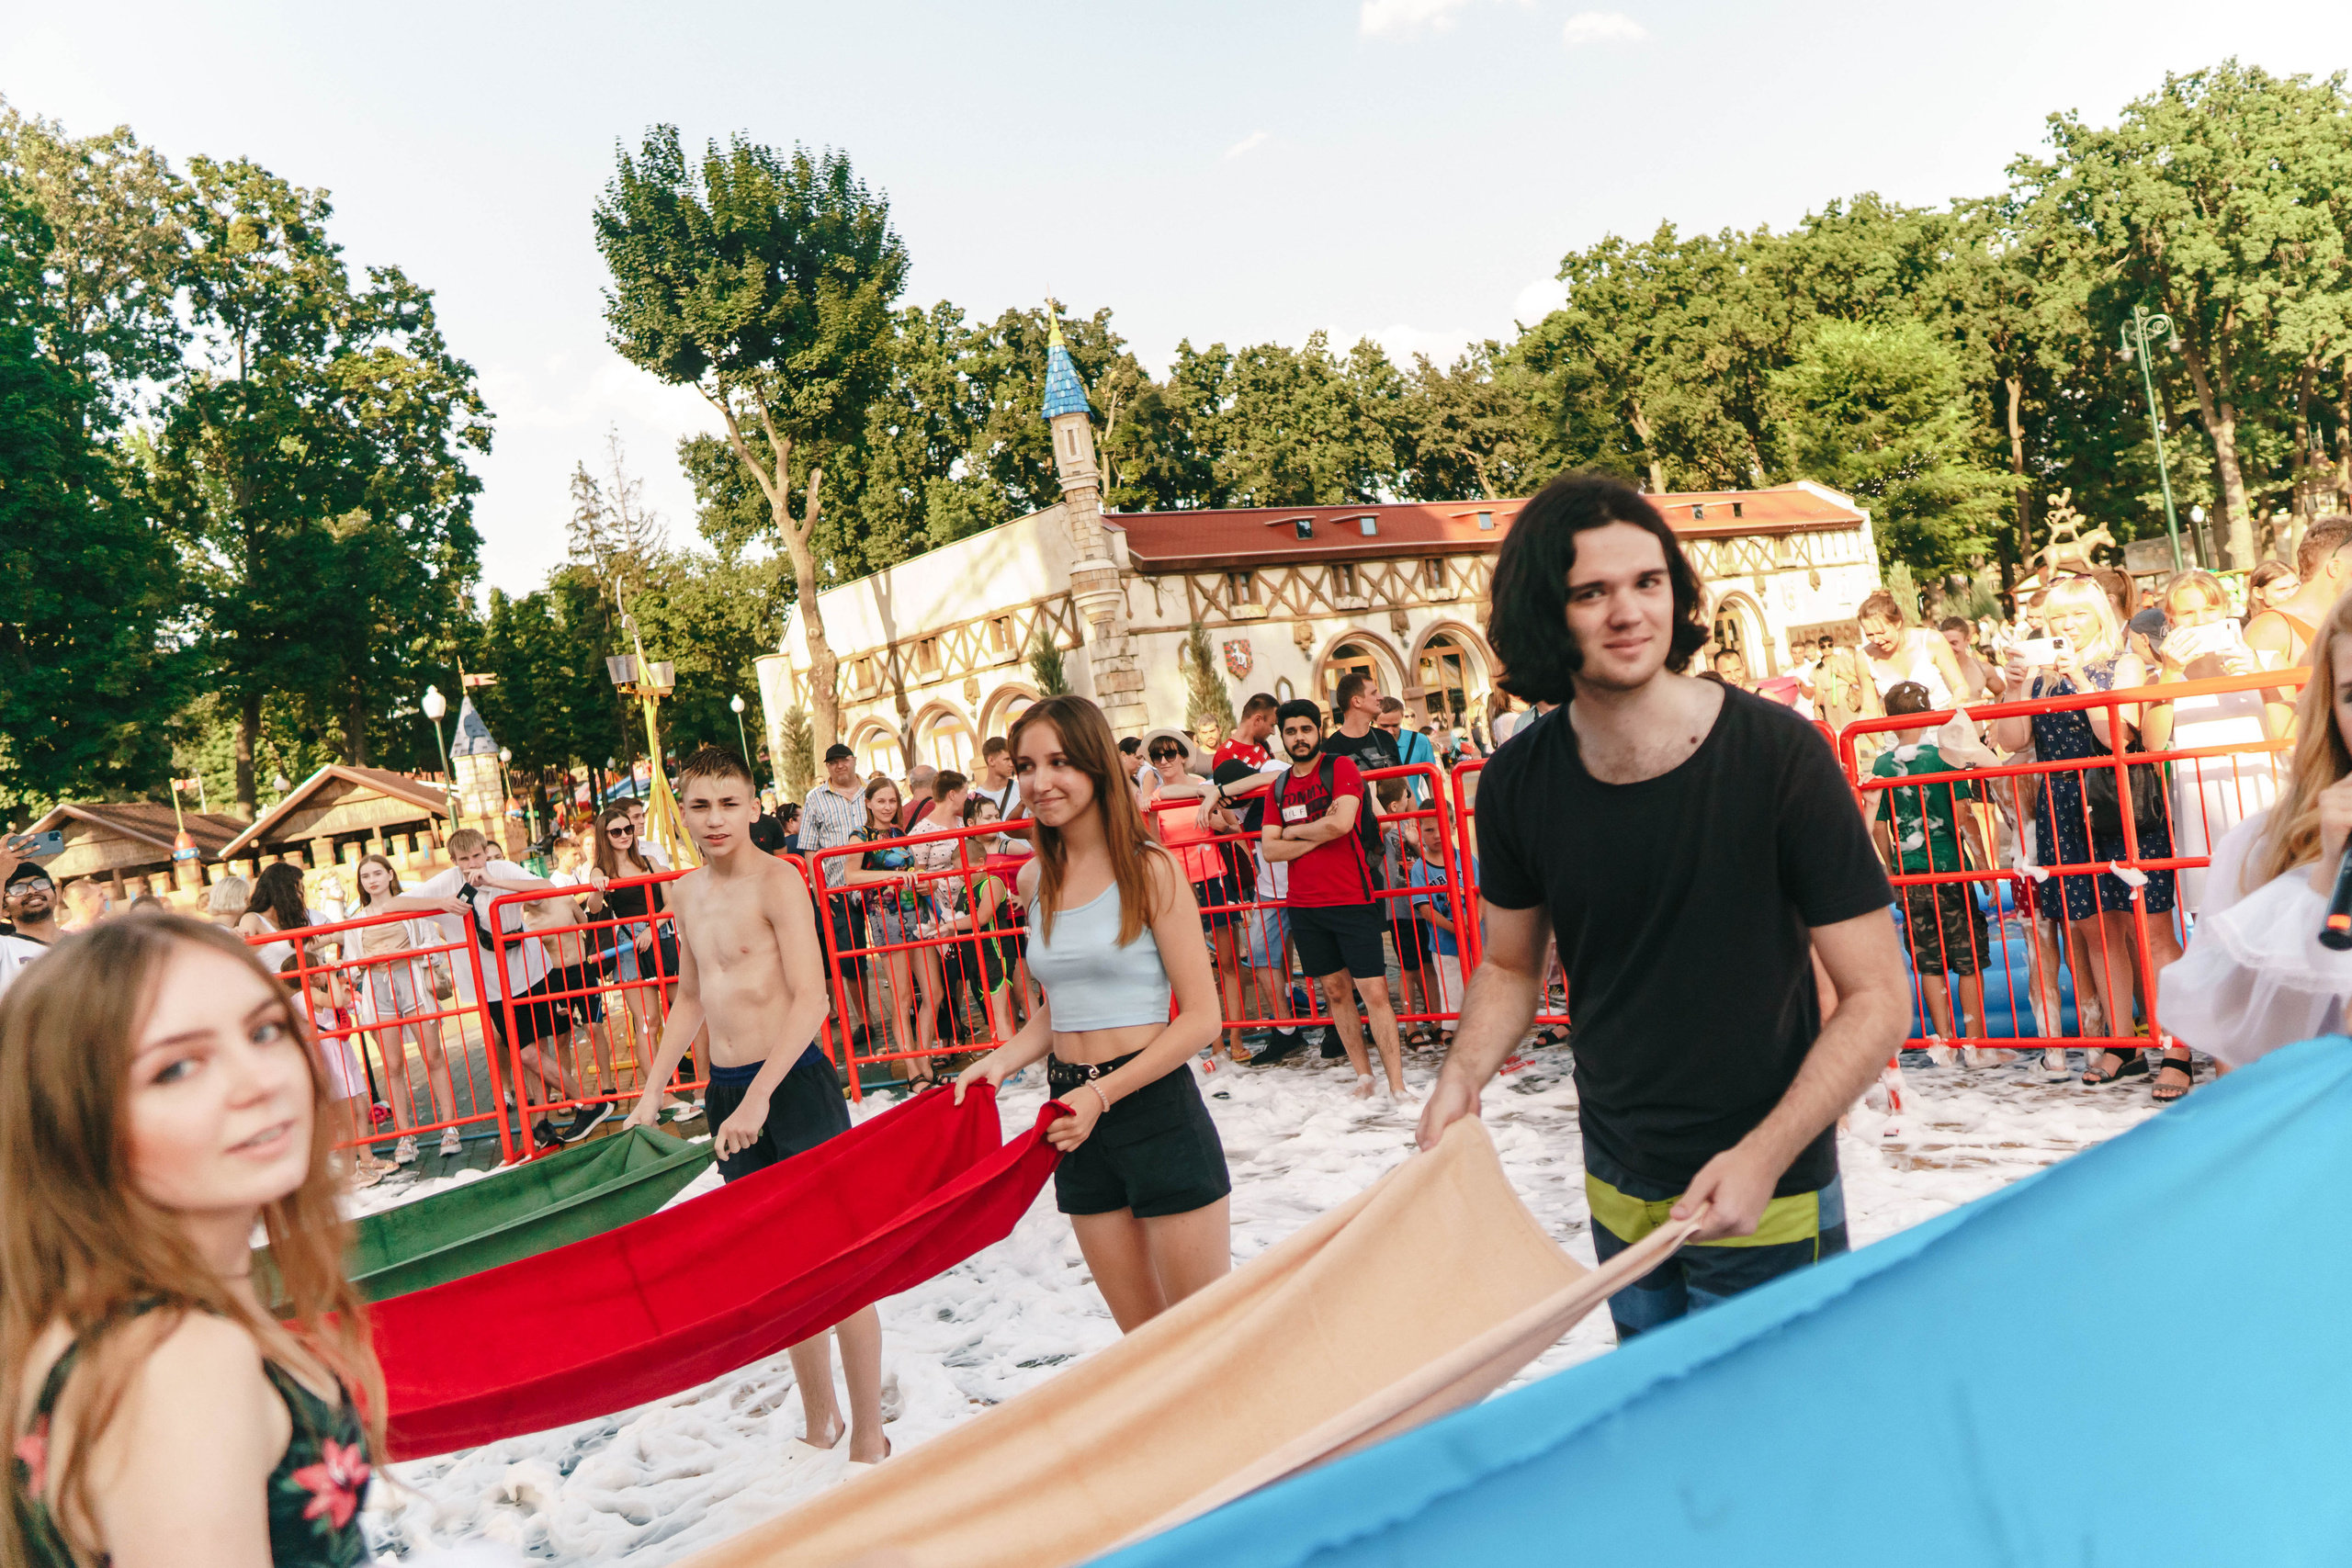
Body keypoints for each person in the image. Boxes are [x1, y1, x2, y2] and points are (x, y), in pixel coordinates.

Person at [1419, 473, 1907, 1340]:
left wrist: (1765, 1155)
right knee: (1661, 1442)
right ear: (1546, 610)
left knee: (1774, 1447)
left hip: (1772, 1182)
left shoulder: (1779, 756)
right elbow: (1508, 963)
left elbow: (1877, 997)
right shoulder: (1516, 782)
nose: (1627, 612)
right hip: (1617, 1175)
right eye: (1591, 592)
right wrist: (1461, 1074)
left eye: (1647, 582)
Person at [1, 915, 385, 1568]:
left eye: (265, 1030)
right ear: (73, 1121)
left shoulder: (76, 1313)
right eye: (177, 1067)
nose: (258, 1080)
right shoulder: (180, 1358)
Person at [620, 748, 887, 1468]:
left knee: (839, 1264)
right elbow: (689, 997)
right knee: (782, 1271)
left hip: (792, 1083)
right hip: (728, 1093)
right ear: (681, 808)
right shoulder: (683, 893)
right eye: (700, 805)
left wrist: (765, 1095)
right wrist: (651, 1089)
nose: (714, 820)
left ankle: (868, 1430)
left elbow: (814, 998)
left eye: (729, 804)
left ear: (752, 806)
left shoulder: (780, 881)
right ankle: (819, 1420)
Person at [952, 694, 1230, 1333]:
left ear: (1097, 766)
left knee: (1205, 1339)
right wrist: (997, 1062)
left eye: (1059, 762)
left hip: (1151, 1107)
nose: (1039, 781)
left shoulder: (1150, 870)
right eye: (1026, 764)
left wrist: (1103, 1095)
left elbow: (1201, 1019)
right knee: (1143, 1345)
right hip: (1071, 1119)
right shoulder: (1034, 881)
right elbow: (1060, 1013)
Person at [1993, 574, 2189, 1100]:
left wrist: (2079, 678)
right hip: (2065, 810)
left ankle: (2178, 1046)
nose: (2067, 625)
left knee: (2151, 931)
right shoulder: (2038, 677)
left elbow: (2116, 733)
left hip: (2120, 807)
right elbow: (2011, 741)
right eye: (2057, 617)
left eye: (2077, 614)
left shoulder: (2122, 663)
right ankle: (2124, 1045)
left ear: (2099, 615)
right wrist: (2014, 685)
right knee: (2095, 930)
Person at [2161, 584, 2352, 1064]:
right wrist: (2326, 879)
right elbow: (2241, 1061)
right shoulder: (2257, 849)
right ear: (2329, 710)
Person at [381, 829, 604, 1148]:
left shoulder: (500, 869)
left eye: (477, 855)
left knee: (537, 1051)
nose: (472, 864)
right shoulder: (447, 881)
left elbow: (545, 887)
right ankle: (588, 1103)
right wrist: (442, 903)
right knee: (526, 1053)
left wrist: (494, 881)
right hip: (490, 985)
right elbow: (392, 905)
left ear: (485, 852)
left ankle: (543, 1123)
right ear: (454, 861)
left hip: (529, 970)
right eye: (464, 859)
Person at [1262, 697, 1410, 1100]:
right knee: (1335, 992)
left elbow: (1343, 823)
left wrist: (1293, 832)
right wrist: (1316, 829)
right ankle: (1364, 1078)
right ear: (1282, 737)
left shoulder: (1339, 767)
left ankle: (1397, 1085)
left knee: (1374, 992)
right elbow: (1269, 850)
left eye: (1305, 729)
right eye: (1290, 731)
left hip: (1351, 897)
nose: (1299, 737)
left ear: (1318, 730)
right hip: (1305, 905)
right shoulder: (1279, 786)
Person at [1871, 682, 2001, 1064]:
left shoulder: (1882, 765)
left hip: (1912, 875)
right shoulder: (1944, 757)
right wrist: (1984, 868)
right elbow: (1964, 817)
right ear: (1930, 713)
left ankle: (1943, 1043)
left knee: (1929, 963)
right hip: (1949, 870)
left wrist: (1893, 865)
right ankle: (1975, 1043)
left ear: (1890, 721)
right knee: (1969, 960)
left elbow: (1879, 827)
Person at [2142, 568, 2281, 915]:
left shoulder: (2266, 661)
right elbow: (2153, 743)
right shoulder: (2160, 679)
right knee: (2213, 918)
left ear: (2226, 610)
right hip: (2201, 808)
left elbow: (2288, 734)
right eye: (2188, 613)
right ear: (2171, 620)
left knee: (2278, 910)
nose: (2200, 620)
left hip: (2267, 802)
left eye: (2209, 609)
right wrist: (2171, 673)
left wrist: (2262, 679)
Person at [347, 853, 463, 1161]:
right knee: (393, 1065)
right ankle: (404, 1135)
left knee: (432, 1055)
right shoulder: (356, 921)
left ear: (389, 874)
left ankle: (450, 1126)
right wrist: (371, 960)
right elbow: (351, 967)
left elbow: (434, 947)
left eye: (376, 873)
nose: (371, 880)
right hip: (378, 988)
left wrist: (407, 951)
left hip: (410, 981)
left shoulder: (410, 909)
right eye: (365, 876)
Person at [1144, 739, 1250, 1062]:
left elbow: (1234, 826)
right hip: (1179, 885)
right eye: (1157, 755)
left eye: (1170, 753)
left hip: (1214, 877)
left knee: (1229, 961)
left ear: (1184, 756)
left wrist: (1219, 822)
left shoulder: (1207, 788)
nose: (1164, 761)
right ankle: (1214, 1041)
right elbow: (1152, 843)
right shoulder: (1155, 796)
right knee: (1197, 967)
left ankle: (1235, 1036)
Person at [842, 776, 944, 1081]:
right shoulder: (860, 836)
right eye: (881, 801)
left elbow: (911, 870)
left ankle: (923, 1059)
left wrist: (925, 883)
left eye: (892, 801)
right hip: (886, 916)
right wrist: (893, 877)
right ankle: (914, 1071)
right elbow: (851, 876)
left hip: (918, 913)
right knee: (901, 997)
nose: (887, 807)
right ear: (869, 803)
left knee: (934, 992)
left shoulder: (900, 832)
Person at [2246, 515, 2352, 733]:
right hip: (2312, 760)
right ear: (2335, 568)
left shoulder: (2343, 619)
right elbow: (2269, 724)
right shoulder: (2271, 628)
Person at [1857, 590, 1967, 715]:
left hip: (1943, 721)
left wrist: (1955, 703)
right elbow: (1869, 709)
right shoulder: (1864, 658)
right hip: (1900, 730)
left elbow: (1960, 686)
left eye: (1881, 633)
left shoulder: (1931, 640)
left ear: (1897, 623)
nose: (1876, 640)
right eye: (1869, 635)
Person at [1321, 671, 1402, 777]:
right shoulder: (1329, 751)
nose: (1381, 697)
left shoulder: (1385, 738)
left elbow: (1405, 786)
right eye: (1373, 693)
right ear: (1357, 701)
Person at [1939, 615, 2007, 702]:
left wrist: (1997, 713)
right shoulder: (1933, 671)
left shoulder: (1983, 669)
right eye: (1944, 643)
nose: (1949, 648)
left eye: (1954, 643)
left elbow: (2001, 691)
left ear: (1968, 640)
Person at [1214, 694, 1279, 769]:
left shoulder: (1263, 744)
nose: (1273, 732)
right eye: (1272, 725)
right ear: (1258, 720)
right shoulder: (1224, 755)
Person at [623, 796, 673, 870]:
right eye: (636, 817)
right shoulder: (609, 855)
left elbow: (666, 879)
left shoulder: (655, 848)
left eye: (643, 816)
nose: (643, 821)